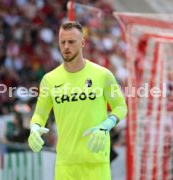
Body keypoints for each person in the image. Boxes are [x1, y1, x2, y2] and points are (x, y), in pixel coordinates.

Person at [27, 21, 127, 180]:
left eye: (71, 42)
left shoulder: (102, 75)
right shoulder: (49, 79)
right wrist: (34, 127)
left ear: (82, 43)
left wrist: (106, 126)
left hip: (96, 161)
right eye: (62, 42)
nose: (66, 46)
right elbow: (40, 113)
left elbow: (121, 106)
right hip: (65, 164)